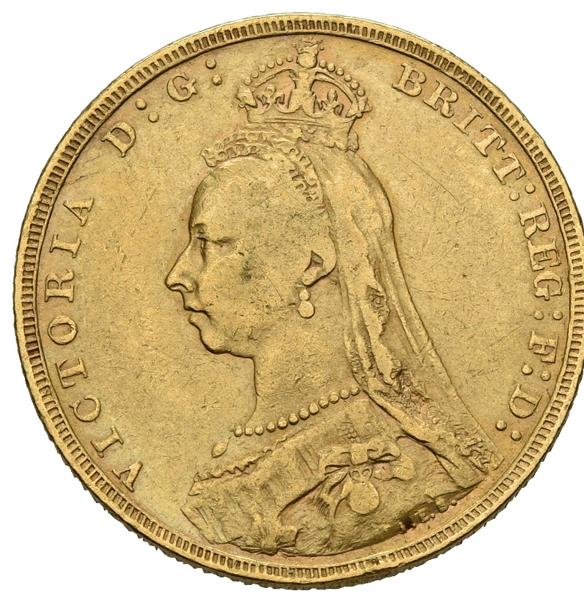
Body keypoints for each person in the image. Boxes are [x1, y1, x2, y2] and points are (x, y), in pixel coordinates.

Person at [164, 42, 499, 555]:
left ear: (311, 265)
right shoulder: (246, 444)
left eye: (209, 244)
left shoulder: (402, 463)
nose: (178, 275)